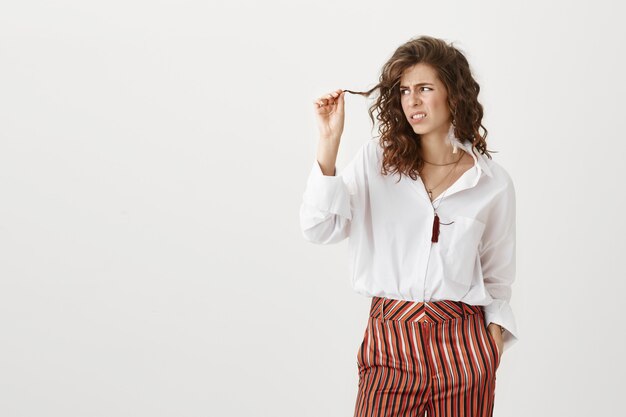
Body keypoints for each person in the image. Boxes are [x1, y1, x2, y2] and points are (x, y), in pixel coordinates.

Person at [299, 35, 519, 417]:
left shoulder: (491, 182)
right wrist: (328, 143)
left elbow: (497, 278)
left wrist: (490, 348)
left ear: (454, 94)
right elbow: (321, 228)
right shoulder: (376, 162)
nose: (412, 101)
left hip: (463, 348)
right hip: (390, 343)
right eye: (404, 91)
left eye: (424, 88)